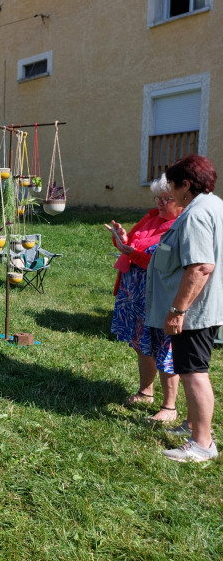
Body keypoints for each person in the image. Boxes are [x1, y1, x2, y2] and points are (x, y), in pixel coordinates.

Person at [146, 154, 223, 462]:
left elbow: (201, 266)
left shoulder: (195, 214)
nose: (172, 194)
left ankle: (202, 444)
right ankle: (192, 426)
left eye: (174, 187)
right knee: (193, 370)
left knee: (194, 374)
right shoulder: (215, 205)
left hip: (196, 310)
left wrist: (177, 310)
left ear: (186, 185)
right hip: (207, 306)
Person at [108, 175, 182, 422]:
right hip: (137, 295)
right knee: (143, 343)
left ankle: (169, 407)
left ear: (182, 199)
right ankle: (145, 391)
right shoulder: (152, 217)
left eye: (166, 198)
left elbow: (168, 265)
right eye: (157, 198)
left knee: (165, 347)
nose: (160, 203)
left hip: (162, 296)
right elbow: (134, 244)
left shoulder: (180, 226)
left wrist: (135, 254)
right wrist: (122, 238)